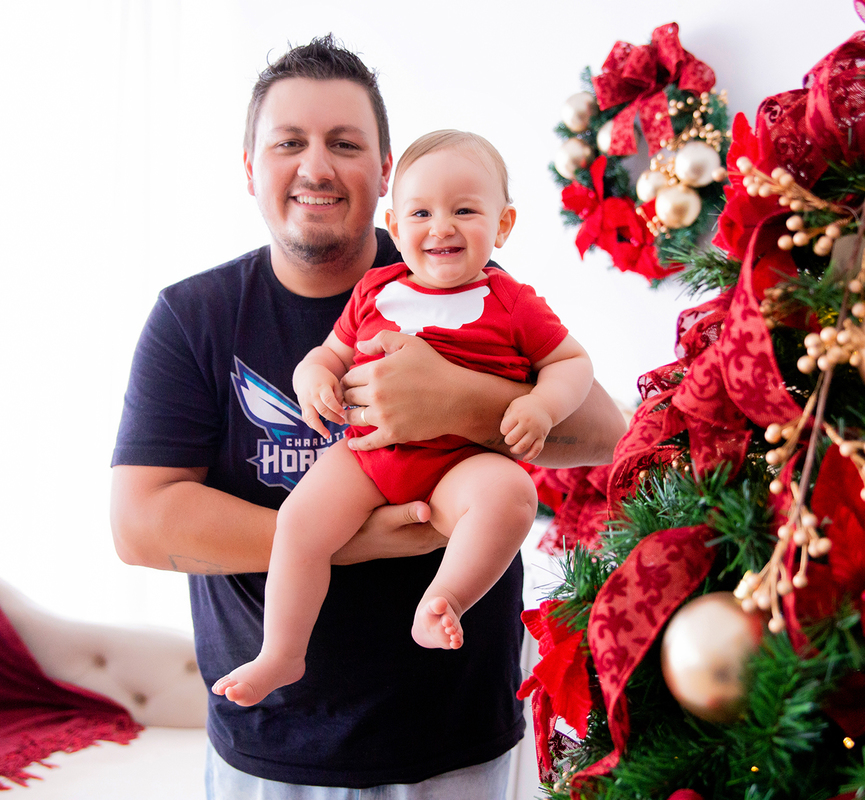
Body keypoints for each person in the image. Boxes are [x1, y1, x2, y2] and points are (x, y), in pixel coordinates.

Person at [110, 35, 626, 799]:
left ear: (382, 170)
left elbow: (604, 433)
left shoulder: (462, 275)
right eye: (290, 142)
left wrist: (459, 399)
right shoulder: (196, 317)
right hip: (270, 743)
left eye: (344, 143)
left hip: (454, 734)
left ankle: (437, 603)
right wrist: (350, 545)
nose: (316, 166)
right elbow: (140, 524)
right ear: (249, 167)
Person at [211, 130, 595, 708]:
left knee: (511, 493)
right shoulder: (376, 290)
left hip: (458, 467)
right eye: (421, 212)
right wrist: (309, 375)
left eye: (464, 210)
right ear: (393, 223)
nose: (441, 226)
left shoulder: (511, 301)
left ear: (504, 225)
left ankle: (443, 600)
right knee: (298, 523)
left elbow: (571, 362)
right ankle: (282, 652)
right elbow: (331, 353)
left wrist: (540, 404)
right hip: (367, 458)